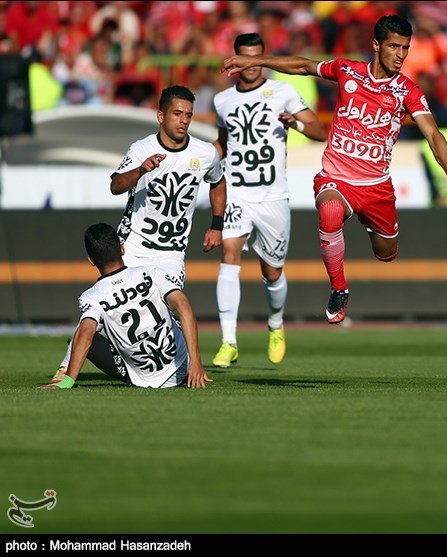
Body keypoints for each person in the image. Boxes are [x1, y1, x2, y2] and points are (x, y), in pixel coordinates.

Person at [221, 14, 447, 324]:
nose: (401, 55)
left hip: (377, 187)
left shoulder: (408, 91)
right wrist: (253, 62)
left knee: (386, 253)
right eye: (394, 47)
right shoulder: (347, 70)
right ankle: (339, 289)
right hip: (336, 178)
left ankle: (372, 228)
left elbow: (433, 133)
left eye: (405, 48)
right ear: (376, 45)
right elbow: (303, 66)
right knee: (329, 211)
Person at [50, 85, 226, 382]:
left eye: (188, 115)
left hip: (170, 252)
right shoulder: (142, 149)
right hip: (132, 246)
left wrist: (217, 224)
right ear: (161, 116)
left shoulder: (205, 152)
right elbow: (116, 185)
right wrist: (141, 171)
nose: (183, 120)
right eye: (177, 114)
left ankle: (181, 367)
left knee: (169, 312)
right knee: (105, 306)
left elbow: (218, 182)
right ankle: (66, 370)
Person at [211, 33, 327, 368]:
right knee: (229, 254)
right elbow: (224, 143)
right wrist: (202, 161)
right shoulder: (222, 101)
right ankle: (228, 341)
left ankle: (275, 324)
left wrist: (297, 124)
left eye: (255, 57)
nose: (248, 65)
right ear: (235, 59)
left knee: (272, 271)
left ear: (262, 58)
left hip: (273, 195)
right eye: (243, 57)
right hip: (237, 192)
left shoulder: (283, 92)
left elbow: (319, 130)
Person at [41, 223, 212, 389]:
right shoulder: (151, 272)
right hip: (184, 368)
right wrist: (195, 362)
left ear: (91, 261)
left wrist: (68, 382)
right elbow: (183, 304)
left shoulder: (91, 297)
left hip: (143, 381)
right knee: (174, 312)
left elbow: (86, 332)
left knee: (81, 335)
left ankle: (64, 375)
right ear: (122, 249)